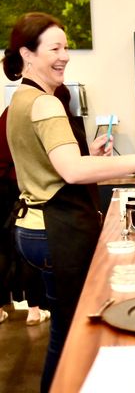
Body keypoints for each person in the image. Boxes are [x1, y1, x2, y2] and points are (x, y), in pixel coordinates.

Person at [2, 12, 135, 392]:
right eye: (55, 48)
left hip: (32, 226)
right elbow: (70, 171)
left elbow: (49, 164)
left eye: (66, 47)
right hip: (55, 229)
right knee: (72, 336)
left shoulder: (19, 100)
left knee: (63, 331)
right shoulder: (46, 104)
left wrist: (92, 155)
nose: (65, 55)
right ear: (27, 54)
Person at [1, 105, 51, 327]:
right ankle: (34, 310)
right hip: (15, 188)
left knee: (2, 250)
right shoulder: (39, 111)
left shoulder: (10, 112)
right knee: (26, 247)